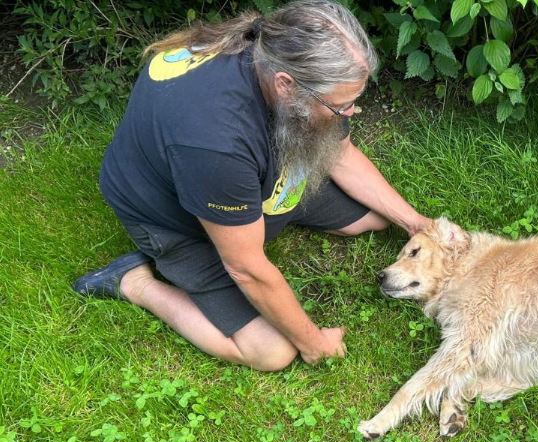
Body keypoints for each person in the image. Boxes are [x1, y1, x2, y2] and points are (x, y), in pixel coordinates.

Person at [73, 1, 430, 371]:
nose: (351, 113)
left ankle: (263, 208)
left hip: (243, 175)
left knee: (370, 219)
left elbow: (340, 155)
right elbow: (245, 267)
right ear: (286, 86)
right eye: (341, 106)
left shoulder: (277, 51)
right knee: (272, 351)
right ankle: (134, 283)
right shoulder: (214, 142)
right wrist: (315, 343)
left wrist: (417, 223)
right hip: (172, 215)